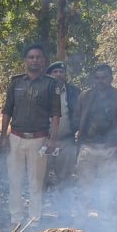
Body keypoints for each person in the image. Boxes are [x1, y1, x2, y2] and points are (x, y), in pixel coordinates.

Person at [0, 44, 60, 226]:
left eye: (38, 57)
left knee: (36, 183)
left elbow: (56, 114)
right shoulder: (16, 82)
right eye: (31, 57)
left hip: (39, 139)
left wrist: (53, 139)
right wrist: (3, 136)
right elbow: (7, 110)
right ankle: (16, 219)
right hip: (16, 137)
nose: (35, 60)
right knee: (14, 181)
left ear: (44, 61)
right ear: (25, 60)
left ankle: (34, 221)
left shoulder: (51, 84)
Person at [74, 64, 117, 218]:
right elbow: (77, 119)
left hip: (110, 150)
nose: (101, 81)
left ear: (111, 78)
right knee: (85, 188)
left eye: (104, 77)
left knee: (107, 189)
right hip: (88, 148)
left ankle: (105, 225)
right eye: (97, 78)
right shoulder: (85, 96)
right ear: (94, 79)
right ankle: (81, 224)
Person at [44, 61, 81, 218]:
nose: (58, 74)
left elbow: (79, 114)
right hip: (43, 141)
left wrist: (75, 130)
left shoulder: (74, 92)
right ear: (49, 75)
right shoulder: (42, 90)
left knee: (65, 180)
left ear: (66, 75)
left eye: (61, 72)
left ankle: (64, 215)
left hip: (66, 141)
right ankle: (37, 215)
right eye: (55, 72)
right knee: (40, 179)